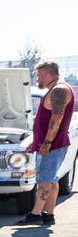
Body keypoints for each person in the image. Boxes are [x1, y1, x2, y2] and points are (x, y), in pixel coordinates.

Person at [20, 60, 74, 227]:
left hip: (53, 145)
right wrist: (36, 142)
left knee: (44, 180)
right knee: (51, 180)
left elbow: (56, 118)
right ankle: (48, 215)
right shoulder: (56, 89)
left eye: (39, 75)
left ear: (47, 74)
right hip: (50, 144)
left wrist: (47, 143)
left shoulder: (59, 90)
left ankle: (35, 214)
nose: (38, 78)